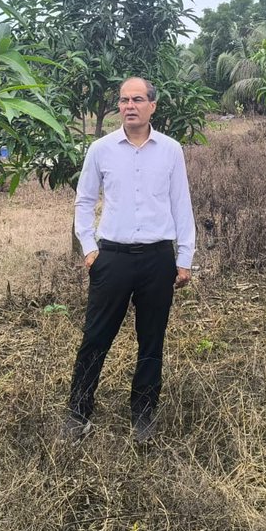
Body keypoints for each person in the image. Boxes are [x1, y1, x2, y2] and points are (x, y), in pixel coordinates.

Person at [64, 77, 196, 442]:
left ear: (153, 105)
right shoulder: (101, 149)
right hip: (113, 258)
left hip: (157, 258)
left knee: (151, 340)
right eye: (124, 100)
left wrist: (184, 257)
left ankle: (143, 413)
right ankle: (78, 411)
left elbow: (180, 204)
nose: (129, 106)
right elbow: (84, 201)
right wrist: (90, 248)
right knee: (95, 337)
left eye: (138, 99)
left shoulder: (170, 150)